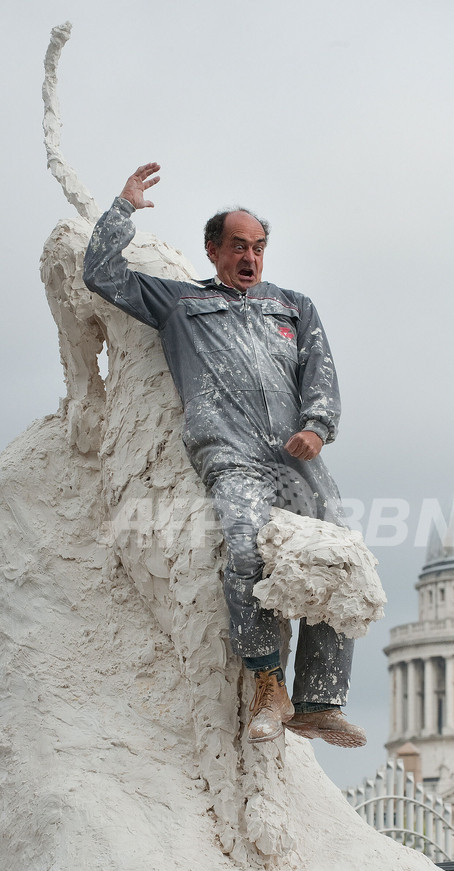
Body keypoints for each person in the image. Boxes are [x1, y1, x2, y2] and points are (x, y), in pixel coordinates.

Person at [83, 163, 365, 749]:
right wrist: (124, 207)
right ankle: (268, 684)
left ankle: (319, 700)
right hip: (232, 454)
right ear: (213, 251)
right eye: (238, 247)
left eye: (259, 248)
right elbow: (101, 273)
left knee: (341, 554)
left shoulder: (293, 307)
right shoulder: (181, 304)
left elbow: (322, 375)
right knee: (246, 549)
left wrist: (317, 427)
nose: (250, 258)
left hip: (298, 458)